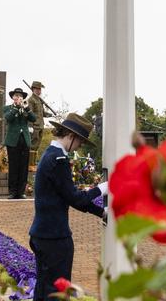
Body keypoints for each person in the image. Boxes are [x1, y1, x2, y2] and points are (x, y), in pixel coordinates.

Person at [29, 113, 107, 301]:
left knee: (44, 290)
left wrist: (101, 212)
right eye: (80, 141)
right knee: (56, 294)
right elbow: (76, 199)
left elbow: (68, 198)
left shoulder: (51, 155)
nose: (80, 146)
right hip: (55, 238)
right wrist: (102, 189)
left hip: (43, 235)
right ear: (72, 137)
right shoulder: (58, 160)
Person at [3, 87, 36, 199]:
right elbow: (8, 118)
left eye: (21, 96)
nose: (19, 98)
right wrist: (17, 107)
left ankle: (21, 191)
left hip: (24, 140)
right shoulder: (8, 108)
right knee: (13, 166)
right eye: (16, 96)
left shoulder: (26, 107)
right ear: (13, 97)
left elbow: (33, 118)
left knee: (23, 166)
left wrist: (26, 109)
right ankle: (12, 192)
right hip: (12, 140)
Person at [27, 81, 47, 168]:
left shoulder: (39, 100)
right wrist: (30, 126)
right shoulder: (31, 100)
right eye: (38, 89)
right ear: (34, 89)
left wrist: (51, 114)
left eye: (40, 89)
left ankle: (33, 164)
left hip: (41, 126)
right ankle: (30, 165)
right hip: (35, 126)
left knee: (37, 146)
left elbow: (42, 113)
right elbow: (29, 114)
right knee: (32, 146)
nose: (40, 91)